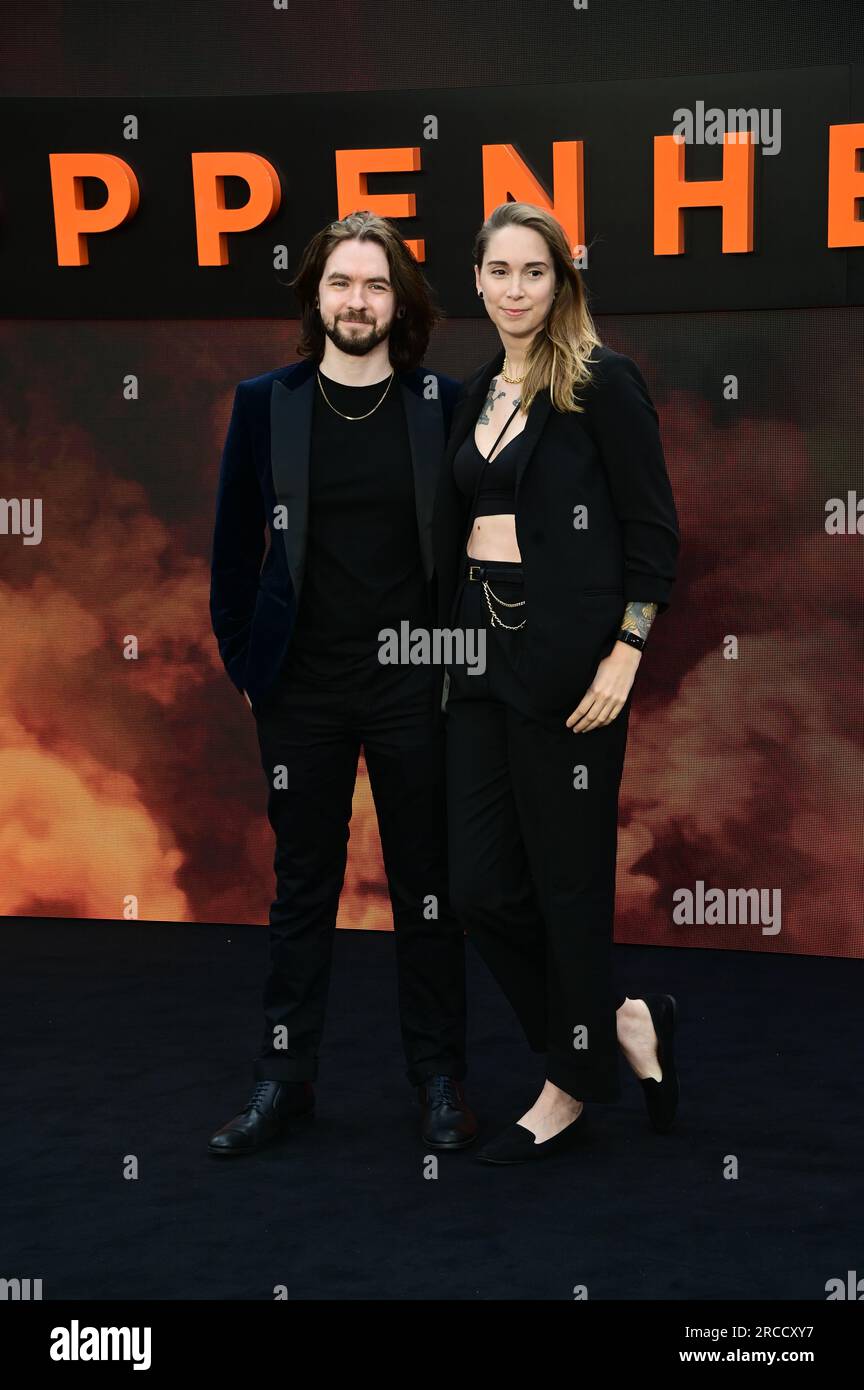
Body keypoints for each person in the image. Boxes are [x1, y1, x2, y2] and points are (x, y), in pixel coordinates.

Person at [207, 211, 478, 1156]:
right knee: (301, 890)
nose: (355, 300)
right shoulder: (263, 404)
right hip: (303, 694)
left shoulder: (443, 405)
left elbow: (481, 554)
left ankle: (440, 1079)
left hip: (415, 683)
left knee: (427, 890)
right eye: (340, 283)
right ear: (313, 295)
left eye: (374, 284)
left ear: (398, 301)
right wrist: (250, 670)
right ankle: (284, 1082)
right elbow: (234, 552)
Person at [431, 202, 682, 1165]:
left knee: (567, 884)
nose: (514, 289)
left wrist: (627, 652)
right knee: (480, 886)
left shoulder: (603, 383)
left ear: (561, 282)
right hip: (474, 660)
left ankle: (569, 1082)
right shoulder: (472, 394)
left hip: (575, 670)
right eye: (498, 271)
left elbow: (653, 533)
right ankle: (618, 1021)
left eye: (533, 272)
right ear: (480, 280)